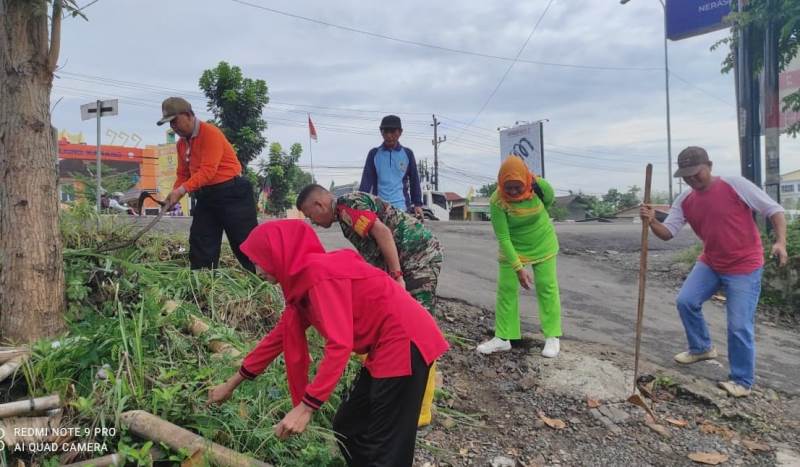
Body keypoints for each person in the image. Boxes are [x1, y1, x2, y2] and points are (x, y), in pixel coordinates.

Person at [207, 221, 449, 466]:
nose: (258, 270)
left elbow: (339, 344)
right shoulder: (301, 287)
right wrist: (230, 385)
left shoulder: (319, 276)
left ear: (280, 254)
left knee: (386, 445)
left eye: (261, 260)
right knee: (349, 426)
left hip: (405, 342)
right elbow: (276, 340)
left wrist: (306, 407)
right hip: (385, 345)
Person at [640, 146, 787, 397]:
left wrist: (780, 242)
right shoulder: (684, 200)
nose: (692, 179)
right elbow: (668, 234)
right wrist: (652, 220)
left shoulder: (735, 185)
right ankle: (701, 348)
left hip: (745, 265)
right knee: (686, 301)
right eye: (686, 175)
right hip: (711, 261)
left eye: (696, 173)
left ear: (710, 165)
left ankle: (742, 381)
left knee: (739, 324)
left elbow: (774, 210)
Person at [296, 184, 443, 426]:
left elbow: (382, 232)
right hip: (404, 260)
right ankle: (390, 392)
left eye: (311, 216)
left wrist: (396, 276)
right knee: (396, 325)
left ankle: (421, 412)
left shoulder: (347, 206)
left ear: (320, 204)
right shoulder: (344, 215)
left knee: (417, 328)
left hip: (418, 257)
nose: (313, 222)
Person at [157, 97, 258, 271]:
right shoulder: (181, 144)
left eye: (175, 121)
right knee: (201, 242)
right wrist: (173, 195)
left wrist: (181, 190)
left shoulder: (210, 133)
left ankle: (261, 281)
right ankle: (202, 285)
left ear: (188, 115)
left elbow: (208, 171)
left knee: (245, 243)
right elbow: (183, 174)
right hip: (207, 195)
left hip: (232, 193)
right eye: (170, 124)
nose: (173, 127)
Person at [477, 156, 563, 358]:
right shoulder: (497, 201)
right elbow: (503, 237)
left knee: (546, 285)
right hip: (514, 245)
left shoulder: (540, 187)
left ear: (526, 181)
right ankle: (503, 338)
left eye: (518, 187)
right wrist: (518, 268)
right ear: (501, 184)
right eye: (509, 188)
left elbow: (549, 201)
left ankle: (552, 336)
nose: (514, 192)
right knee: (506, 289)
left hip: (543, 241)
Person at [359, 115, 424, 218]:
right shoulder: (374, 154)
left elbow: (414, 181)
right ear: (381, 132)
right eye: (385, 131)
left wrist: (417, 204)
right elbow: (366, 183)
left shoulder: (407, 154)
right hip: (379, 210)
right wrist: (360, 204)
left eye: (393, 131)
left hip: (402, 210)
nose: (389, 135)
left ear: (400, 132)